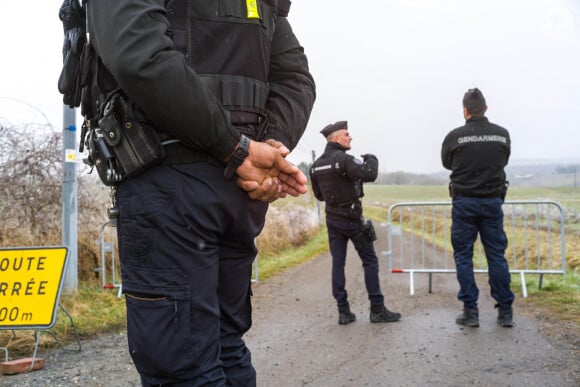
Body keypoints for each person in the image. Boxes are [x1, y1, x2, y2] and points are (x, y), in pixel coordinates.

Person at [84, 0, 315, 385]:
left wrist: (240, 150)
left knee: (181, 367)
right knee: (225, 349)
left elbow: (139, 54)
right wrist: (264, 148)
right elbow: (296, 79)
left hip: (170, 188)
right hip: (233, 193)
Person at [310, 121, 401, 325]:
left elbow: (319, 195)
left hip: (332, 219)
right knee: (370, 261)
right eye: (347, 134)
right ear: (336, 138)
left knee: (338, 264)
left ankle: (343, 312)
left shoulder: (316, 167)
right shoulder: (344, 160)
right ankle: (377, 309)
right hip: (352, 219)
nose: (350, 137)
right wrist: (372, 158)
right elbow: (370, 173)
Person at [441, 88, 515, 328]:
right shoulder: (501, 135)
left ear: (465, 110)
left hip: (464, 203)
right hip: (492, 202)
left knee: (464, 256)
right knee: (496, 256)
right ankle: (505, 311)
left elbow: (446, 163)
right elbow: (503, 160)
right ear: (486, 108)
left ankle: (470, 312)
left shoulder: (455, 136)